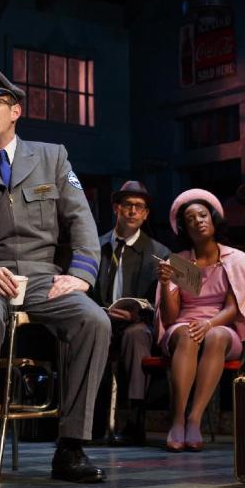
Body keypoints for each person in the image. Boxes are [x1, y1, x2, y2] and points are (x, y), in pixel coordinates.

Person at [0, 64, 110, 488]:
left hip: (43, 277)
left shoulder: (52, 157)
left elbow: (80, 222)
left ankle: (70, 447)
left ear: (16, 110)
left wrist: (83, 276)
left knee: (94, 321)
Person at [155, 189, 245, 452]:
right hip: (184, 326)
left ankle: (194, 419)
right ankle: (177, 419)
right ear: (183, 228)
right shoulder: (178, 262)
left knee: (216, 336)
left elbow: (234, 308)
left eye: (203, 215)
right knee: (188, 333)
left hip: (222, 326)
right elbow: (170, 317)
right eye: (190, 219)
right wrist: (166, 284)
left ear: (213, 220)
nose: (198, 221)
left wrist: (209, 324)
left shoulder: (236, 259)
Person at [90, 180, 170, 445]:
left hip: (138, 324)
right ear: (116, 208)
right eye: (127, 205)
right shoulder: (96, 247)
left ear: (146, 214)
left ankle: (135, 419)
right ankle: (91, 422)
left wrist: (138, 312)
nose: (133, 211)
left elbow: (164, 300)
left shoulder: (159, 253)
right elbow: (85, 287)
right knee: (88, 334)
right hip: (101, 318)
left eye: (139, 207)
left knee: (136, 337)